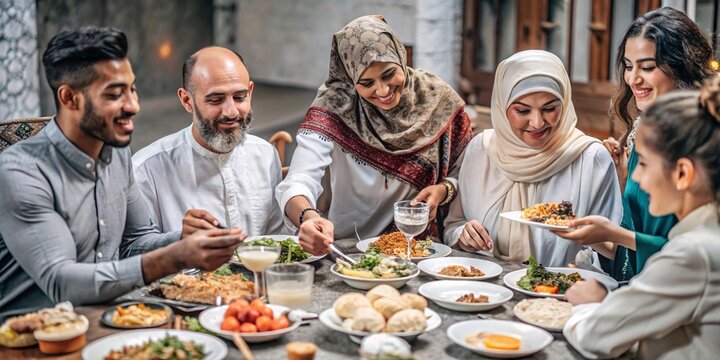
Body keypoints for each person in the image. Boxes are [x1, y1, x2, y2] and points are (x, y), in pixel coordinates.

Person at [0, 27, 246, 320]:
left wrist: (183, 238)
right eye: (115, 94)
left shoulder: (116, 152)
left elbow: (135, 241)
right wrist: (175, 256)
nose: (133, 106)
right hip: (32, 339)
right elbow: (61, 283)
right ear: (69, 98)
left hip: (110, 319)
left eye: (132, 89)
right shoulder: (20, 171)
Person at [275, 15, 472, 255]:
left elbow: (466, 171)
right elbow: (299, 180)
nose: (383, 90)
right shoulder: (335, 106)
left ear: (401, 57)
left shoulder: (436, 99)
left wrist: (444, 190)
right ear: (350, 78)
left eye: (389, 74)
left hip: (412, 251)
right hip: (339, 248)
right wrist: (308, 217)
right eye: (366, 83)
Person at [563, 77, 720, 359]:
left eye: (644, 164)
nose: (634, 177)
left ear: (683, 173)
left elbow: (596, 336)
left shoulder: (694, 252)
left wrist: (591, 303)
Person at [554, 7, 714, 280]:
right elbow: (635, 234)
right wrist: (622, 179)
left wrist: (611, 233)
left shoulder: (704, 143)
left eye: (647, 67)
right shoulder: (641, 132)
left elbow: (699, 255)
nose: (633, 79)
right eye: (629, 66)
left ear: (682, 66)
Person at [443, 50, 622, 267]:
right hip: (484, 293)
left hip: (560, 294)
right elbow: (453, 226)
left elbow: (615, 251)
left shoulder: (590, 158)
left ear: (565, 105)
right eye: (522, 110)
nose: (537, 123)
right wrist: (464, 235)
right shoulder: (480, 150)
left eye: (550, 108)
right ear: (502, 107)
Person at [133, 46, 285, 235]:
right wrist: (179, 242)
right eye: (215, 100)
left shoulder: (265, 154)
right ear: (187, 100)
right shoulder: (146, 170)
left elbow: (277, 240)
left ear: (250, 92)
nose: (231, 112)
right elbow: (135, 252)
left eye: (239, 97)